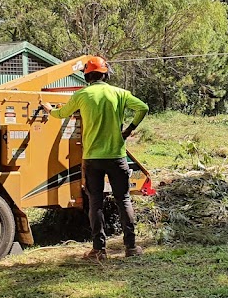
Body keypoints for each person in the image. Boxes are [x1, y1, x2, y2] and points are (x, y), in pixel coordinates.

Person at [40, 56, 149, 260]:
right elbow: (143, 108)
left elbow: (61, 113)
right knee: (123, 199)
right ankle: (131, 247)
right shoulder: (119, 93)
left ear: (87, 75)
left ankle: (99, 250)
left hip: (93, 159)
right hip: (117, 156)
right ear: (105, 74)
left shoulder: (83, 95)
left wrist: (49, 109)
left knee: (95, 203)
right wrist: (128, 130)